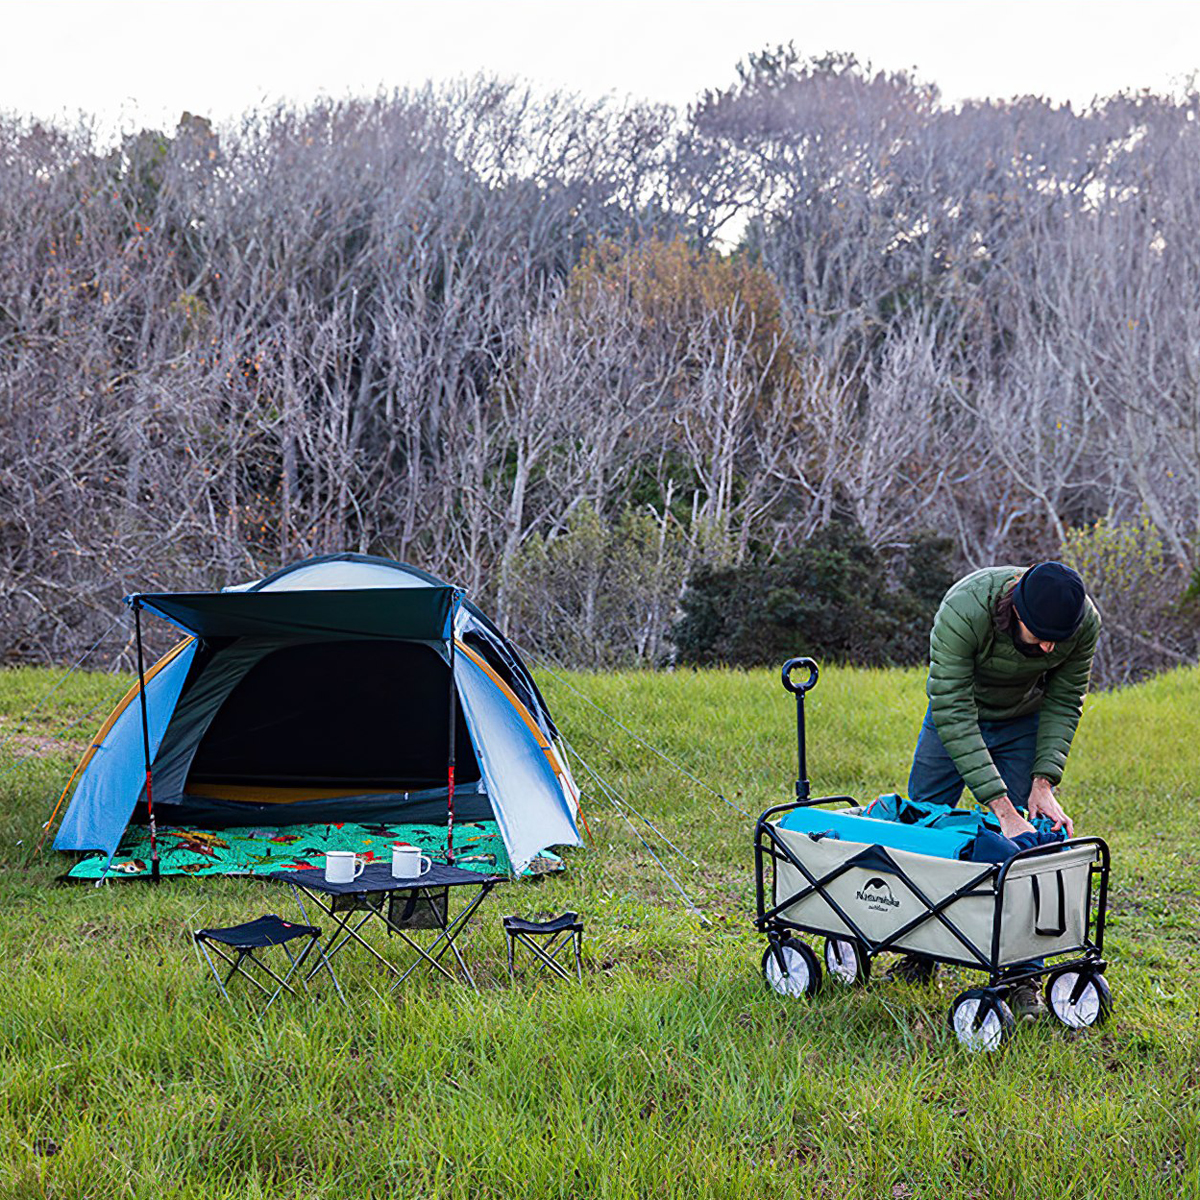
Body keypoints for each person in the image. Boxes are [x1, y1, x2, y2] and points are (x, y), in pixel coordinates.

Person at [890, 561, 1101, 1017]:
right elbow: (952, 707)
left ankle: (1023, 975)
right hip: (956, 717)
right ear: (1014, 612)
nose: (1048, 646)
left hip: (1023, 718)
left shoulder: (1083, 623)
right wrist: (1001, 805)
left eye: (1057, 640)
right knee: (927, 826)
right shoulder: (965, 609)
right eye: (1040, 634)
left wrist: (1043, 781)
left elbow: (1065, 699)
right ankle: (921, 952)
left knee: (1028, 847)